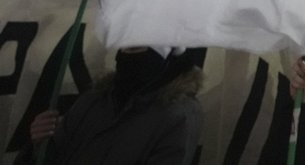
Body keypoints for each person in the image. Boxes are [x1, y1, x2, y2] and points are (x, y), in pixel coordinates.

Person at [21, 47, 202, 165]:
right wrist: (39, 144)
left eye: (138, 47)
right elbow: (49, 156)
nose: (126, 56)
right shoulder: (94, 99)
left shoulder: (179, 116)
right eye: (126, 45)